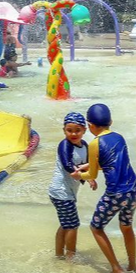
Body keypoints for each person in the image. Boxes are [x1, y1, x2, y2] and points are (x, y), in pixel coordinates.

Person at [72, 104, 136, 273]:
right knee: (126, 226)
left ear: (90, 126)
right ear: (110, 121)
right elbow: (112, 163)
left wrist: (78, 174)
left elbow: (92, 174)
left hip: (115, 193)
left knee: (96, 227)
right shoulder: (119, 137)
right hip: (132, 189)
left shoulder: (95, 143)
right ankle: (132, 265)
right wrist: (89, 165)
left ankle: (117, 269)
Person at [49, 112, 97, 261]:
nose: (73, 133)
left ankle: (59, 255)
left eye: (77, 130)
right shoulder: (65, 145)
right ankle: (71, 257)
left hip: (68, 191)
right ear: (64, 131)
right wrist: (79, 174)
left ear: (84, 130)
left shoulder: (85, 146)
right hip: (60, 190)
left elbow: (88, 166)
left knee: (65, 223)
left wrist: (89, 178)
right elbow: (67, 164)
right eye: (69, 130)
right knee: (72, 224)